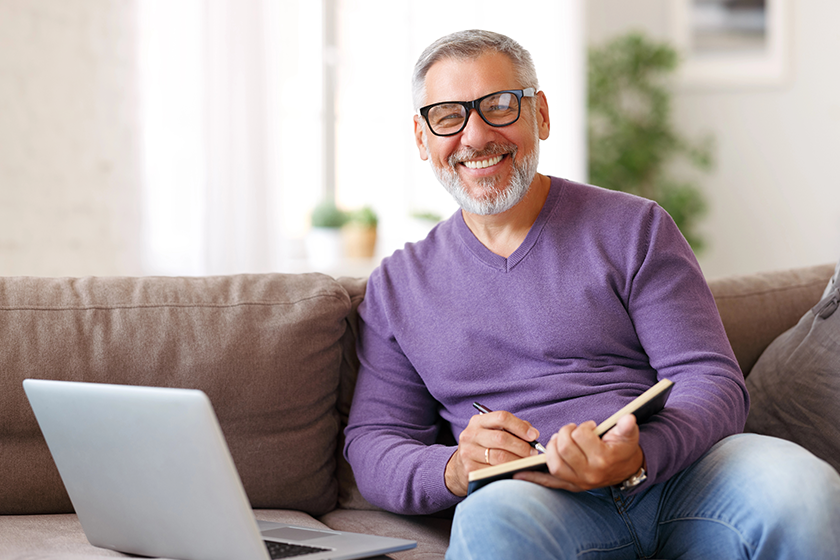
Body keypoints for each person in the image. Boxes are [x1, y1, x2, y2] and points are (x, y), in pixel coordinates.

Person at [344, 29, 840, 559]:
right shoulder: (398, 286)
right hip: (534, 501)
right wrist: (454, 468)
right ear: (422, 139)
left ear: (541, 116)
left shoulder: (636, 227)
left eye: (499, 106)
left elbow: (711, 379)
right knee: (490, 520)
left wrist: (641, 453)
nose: (475, 135)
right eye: (448, 116)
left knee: (806, 491)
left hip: (681, 477)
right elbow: (373, 442)